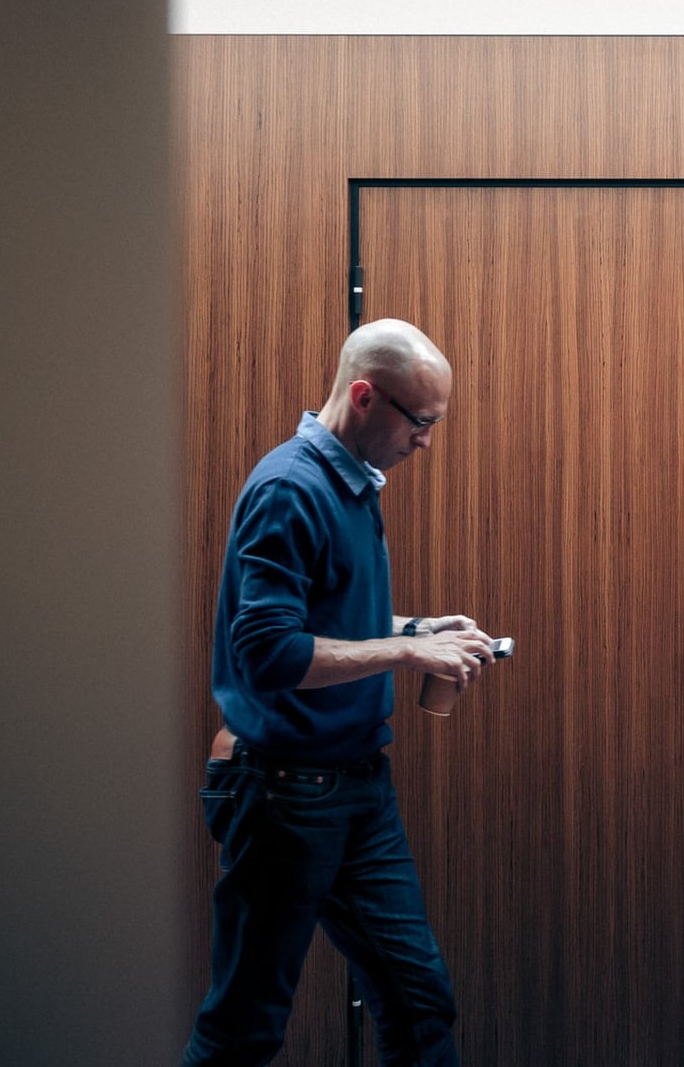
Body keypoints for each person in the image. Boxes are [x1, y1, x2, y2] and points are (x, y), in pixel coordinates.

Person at [184, 318, 495, 1067]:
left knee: (420, 1003)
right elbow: (269, 652)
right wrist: (407, 650)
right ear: (364, 396)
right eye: (420, 421)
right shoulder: (292, 489)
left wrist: (418, 627)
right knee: (244, 1027)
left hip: (357, 789)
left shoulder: (352, 485)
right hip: (287, 795)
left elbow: (326, 620)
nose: (426, 440)